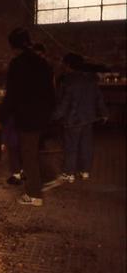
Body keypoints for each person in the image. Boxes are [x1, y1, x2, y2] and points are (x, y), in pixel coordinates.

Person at [0, 28, 55, 206]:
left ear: (13, 46)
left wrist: (0, 117)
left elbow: (12, 94)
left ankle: (34, 195)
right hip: (42, 116)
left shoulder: (18, 64)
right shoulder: (43, 63)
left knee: (29, 155)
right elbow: (51, 94)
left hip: (27, 117)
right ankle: (33, 185)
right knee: (32, 152)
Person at [45, 53, 108, 185]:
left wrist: (52, 117)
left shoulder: (67, 81)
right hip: (89, 118)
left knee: (71, 147)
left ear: (68, 65)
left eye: (63, 63)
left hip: (72, 120)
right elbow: (99, 98)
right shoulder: (91, 79)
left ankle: (69, 173)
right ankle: (85, 171)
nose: (62, 66)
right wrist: (104, 113)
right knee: (86, 145)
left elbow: (64, 104)